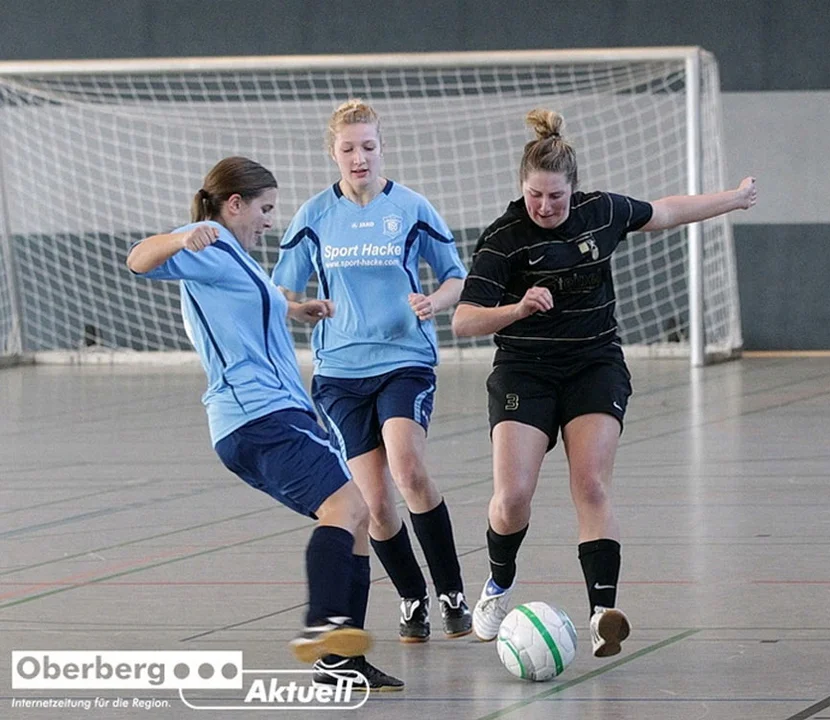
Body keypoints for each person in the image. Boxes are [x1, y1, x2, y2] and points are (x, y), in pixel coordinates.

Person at [451, 108, 758, 657]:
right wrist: (517, 308)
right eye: (534, 196)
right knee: (513, 497)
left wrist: (730, 199)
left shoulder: (602, 211)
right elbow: (464, 319)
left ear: (574, 189)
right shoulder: (504, 238)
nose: (545, 207)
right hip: (525, 371)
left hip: (595, 364)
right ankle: (498, 582)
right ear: (522, 189)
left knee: (590, 485)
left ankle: (601, 613)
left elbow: (665, 211)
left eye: (556, 197)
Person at [126, 156, 402, 691]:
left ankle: (340, 662)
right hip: (258, 413)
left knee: (358, 517)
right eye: (265, 208)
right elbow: (138, 259)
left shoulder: (240, 259)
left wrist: (294, 310)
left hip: (266, 417)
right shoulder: (205, 240)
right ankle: (323, 624)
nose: (269, 220)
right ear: (235, 205)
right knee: (345, 507)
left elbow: (255, 296)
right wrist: (181, 240)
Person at [272, 99, 472, 648]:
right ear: (332, 153)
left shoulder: (410, 208)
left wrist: (435, 300)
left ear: (382, 148)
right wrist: (299, 307)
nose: (359, 157)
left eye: (368, 146)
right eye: (348, 148)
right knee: (375, 503)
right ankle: (412, 598)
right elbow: (281, 291)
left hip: (405, 360)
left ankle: (452, 589)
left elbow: (456, 277)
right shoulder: (314, 216)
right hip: (338, 373)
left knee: (407, 469)